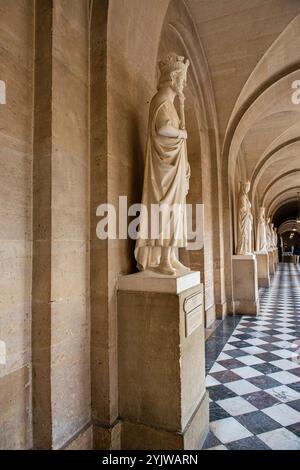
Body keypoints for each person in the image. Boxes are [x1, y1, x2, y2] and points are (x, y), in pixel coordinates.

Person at [134, 53, 191, 275]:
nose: (184, 84)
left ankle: (171, 256)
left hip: (173, 168)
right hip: (163, 171)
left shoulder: (171, 104)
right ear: (174, 77)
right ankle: (164, 260)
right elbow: (163, 130)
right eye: (183, 79)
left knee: (175, 211)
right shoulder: (161, 100)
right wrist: (182, 133)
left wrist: (185, 162)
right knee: (166, 210)